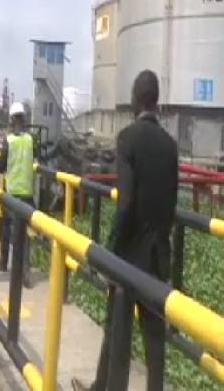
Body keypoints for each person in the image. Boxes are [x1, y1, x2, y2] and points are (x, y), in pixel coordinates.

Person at [72, 70, 178, 391]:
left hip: (130, 254)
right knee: (154, 338)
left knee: (118, 330)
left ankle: (107, 387)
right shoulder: (170, 145)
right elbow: (171, 202)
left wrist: (111, 248)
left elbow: (126, 202)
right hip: (158, 254)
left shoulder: (128, 138)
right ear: (155, 99)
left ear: (135, 98)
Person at [0, 102, 35, 288]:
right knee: (25, 234)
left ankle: (4, 262)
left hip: (12, 192)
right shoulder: (30, 140)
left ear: (12, 120)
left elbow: (0, 167)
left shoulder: (9, 141)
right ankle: (25, 272)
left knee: (7, 227)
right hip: (27, 193)